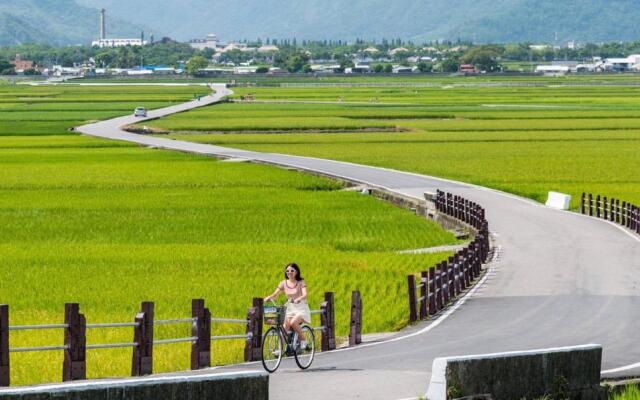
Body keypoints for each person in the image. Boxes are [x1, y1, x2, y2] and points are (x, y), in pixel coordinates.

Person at [264, 263, 311, 349]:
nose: (289, 272)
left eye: (292, 270)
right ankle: (280, 348)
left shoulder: (300, 282)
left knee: (293, 322)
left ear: (296, 272)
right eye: (287, 271)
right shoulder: (283, 283)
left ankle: (304, 341)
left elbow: (305, 294)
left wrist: (299, 299)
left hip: (301, 308)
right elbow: (275, 294)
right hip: (290, 308)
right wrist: (269, 297)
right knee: (284, 326)